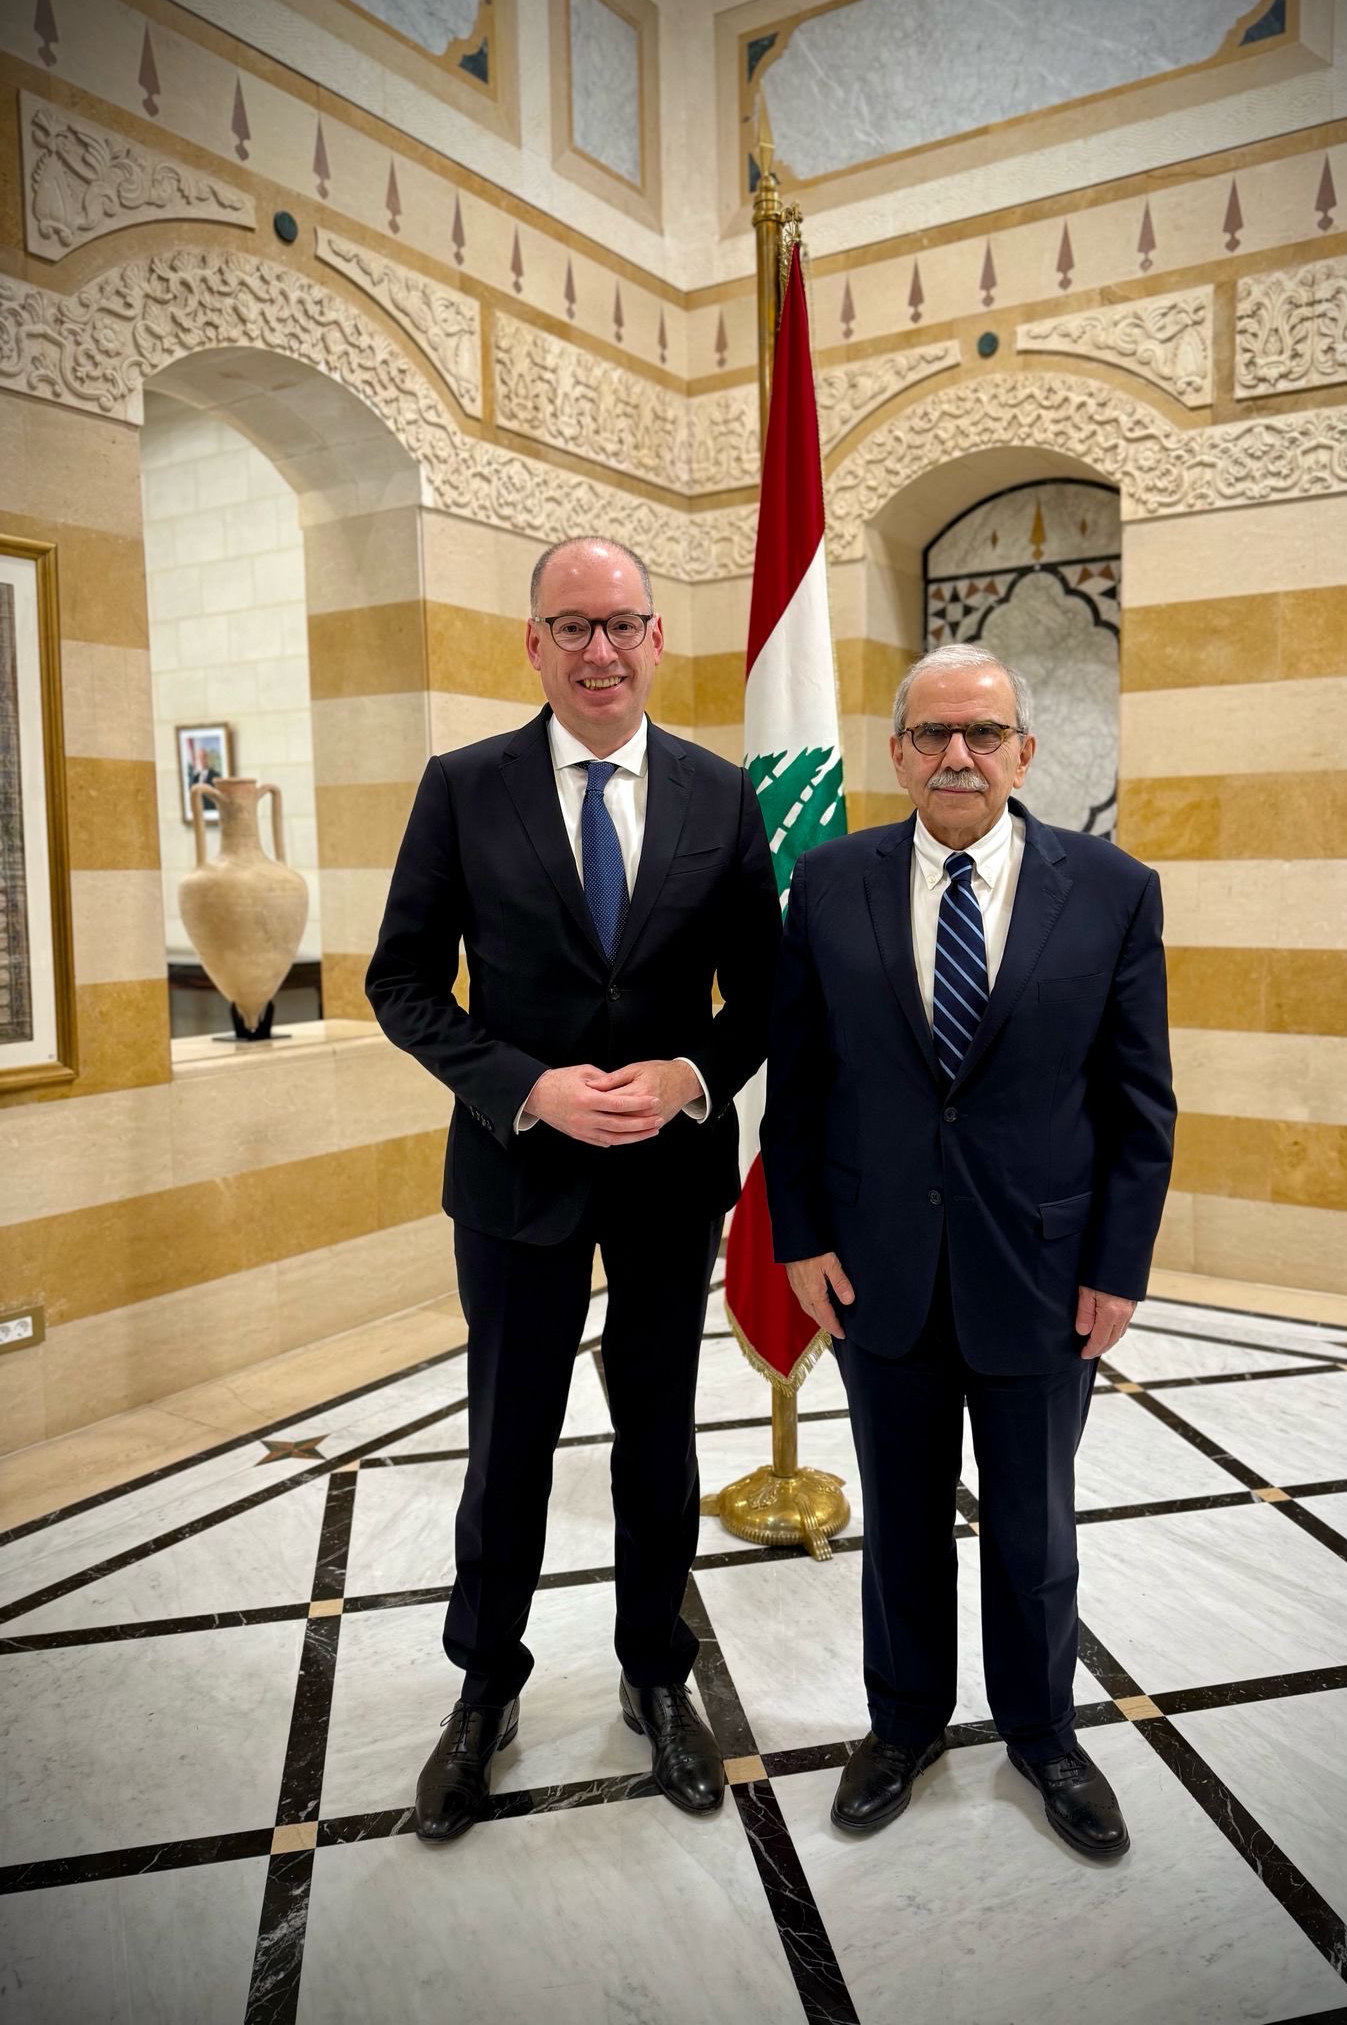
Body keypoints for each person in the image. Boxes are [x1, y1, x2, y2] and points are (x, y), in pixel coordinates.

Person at [367, 535, 781, 1842]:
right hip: (514, 1176)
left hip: (669, 1181)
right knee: (510, 1443)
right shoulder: (462, 788)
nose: (599, 650)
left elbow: (764, 994)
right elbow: (404, 982)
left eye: (622, 625)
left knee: (660, 1438)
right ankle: (485, 1689)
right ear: (532, 645)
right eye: (572, 626)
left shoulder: (722, 796)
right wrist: (525, 1086)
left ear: (659, 640)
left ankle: (658, 1676)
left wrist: (689, 1075)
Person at [762, 641, 1175, 1857]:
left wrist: (1118, 1263)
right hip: (875, 1268)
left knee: (1037, 1525)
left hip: (1045, 1274)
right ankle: (903, 1724)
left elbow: (1139, 1101)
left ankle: (1044, 1733)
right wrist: (798, 1237)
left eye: (982, 734)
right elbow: (800, 1084)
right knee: (897, 1517)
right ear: (895, 752)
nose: (958, 755)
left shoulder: (1110, 888)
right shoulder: (828, 885)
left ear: (1024, 753)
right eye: (933, 734)